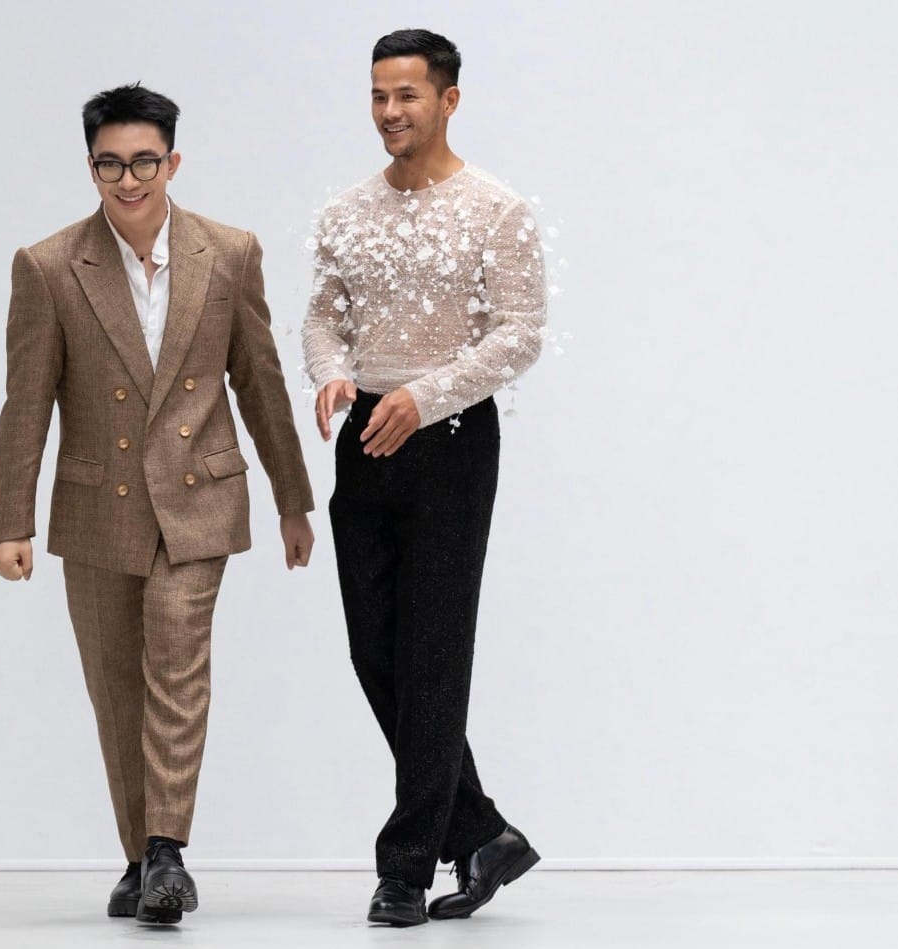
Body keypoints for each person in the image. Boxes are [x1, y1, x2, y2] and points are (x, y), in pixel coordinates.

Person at [0, 83, 315, 926]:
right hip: (96, 506)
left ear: (173, 162)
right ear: (90, 167)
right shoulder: (48, 264)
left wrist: (291, 497)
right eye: (110, 164)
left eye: (143, 162)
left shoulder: (229, 251)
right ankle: (138, 856)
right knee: (115, 688)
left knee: (176, 664)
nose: (128, 180)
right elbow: (26, 401)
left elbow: (260, 379)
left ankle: (167, 850)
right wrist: (10, 522)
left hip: (199, 500)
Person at [302, 29, 547, 926]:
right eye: (377, 95)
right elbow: (322, 316)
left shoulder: (495, 209)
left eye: (405, 95)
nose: (388, 111)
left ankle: (405, 866)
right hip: (364, 436)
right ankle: (481, 832)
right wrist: (332, 372)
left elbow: (519, 333)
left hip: (449, 440)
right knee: (376, 649)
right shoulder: (346, 211)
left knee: (433, 654)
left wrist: (425, 394)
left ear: (448, 99)